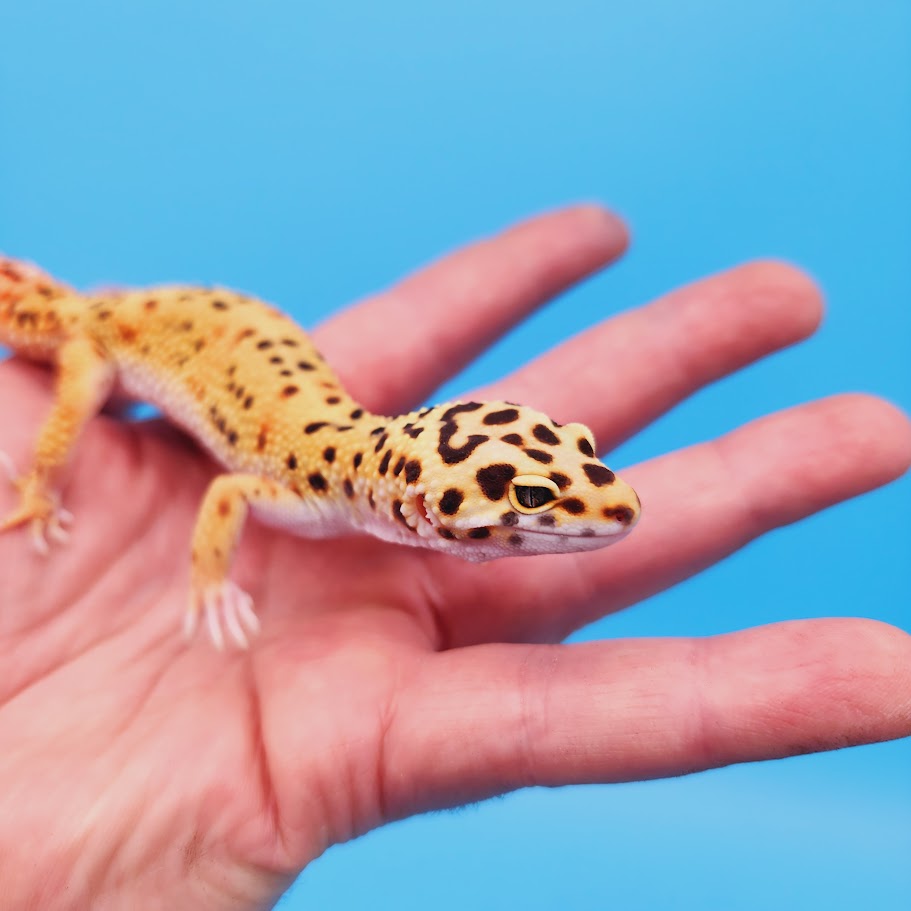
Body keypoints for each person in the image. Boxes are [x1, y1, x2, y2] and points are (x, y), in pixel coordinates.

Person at [1, 206, 909, 909]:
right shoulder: (314, 497)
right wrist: (204, 577)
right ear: (426, 509)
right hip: (116, 335)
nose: (604, 505)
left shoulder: (379, 485)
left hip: (208, 329)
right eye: (528, 504)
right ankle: (39, 483)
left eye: (570, 471)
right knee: (75, 395)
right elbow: (229, 492)